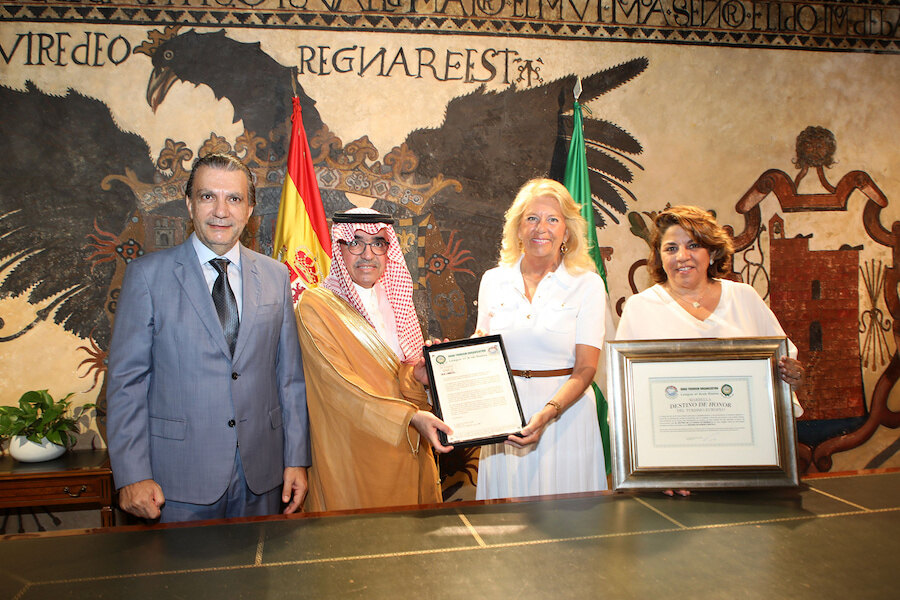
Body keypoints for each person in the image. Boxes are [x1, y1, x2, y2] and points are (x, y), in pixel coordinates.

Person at [107, 152, 309, 522]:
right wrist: (133, 474)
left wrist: (296, 459)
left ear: (249, 210)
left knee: (258, 578)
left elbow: (289, 378)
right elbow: (126, 383)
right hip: (176, 484)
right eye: (207, 196)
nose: (221, 211)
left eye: (234, 199)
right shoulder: (147, 277)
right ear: (189, 204)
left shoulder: (276, 275)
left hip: (261, 478)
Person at [616, 205, 804, 495]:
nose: (682, 256)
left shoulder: (745, 298)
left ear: (713, 252)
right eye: (670, 248)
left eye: (693, 245)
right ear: (659, 256)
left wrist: (791, 375)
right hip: (676, 470)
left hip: (747, 463)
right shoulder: (640, 308)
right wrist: (654, 468)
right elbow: (627, 398)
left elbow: (784, 362)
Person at [295, 207, 453, 512]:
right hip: (352, 452)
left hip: (405, 447)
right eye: (355, 242)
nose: (367, 254)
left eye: (378, 243)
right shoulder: (315, 306)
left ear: (388, 251)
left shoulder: (393, 301)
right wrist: (410, 418)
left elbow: (393, 377)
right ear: (338, 249)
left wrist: (417, 377)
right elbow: (340, 388)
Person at [474, 178, 608, 500]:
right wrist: (450, 360)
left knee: (569, 530)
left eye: (553, 219)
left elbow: (587, 368)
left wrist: (548, 412)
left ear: (567, 230)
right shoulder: (493, 280)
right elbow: (481, 349)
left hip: (567, 419)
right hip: (506, 421)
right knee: (505, 532)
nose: (541, 228)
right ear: (518, 228)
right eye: (532, 218)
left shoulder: (587, 284)